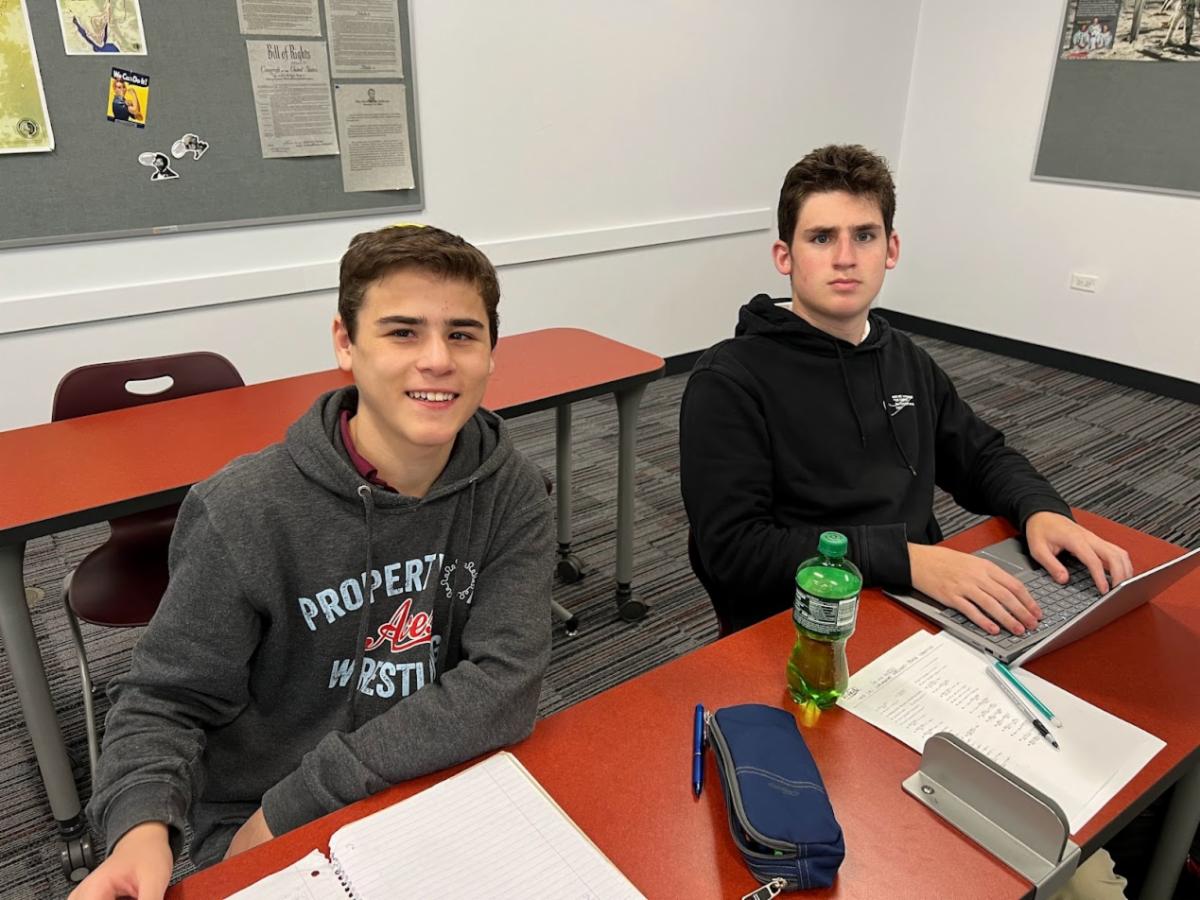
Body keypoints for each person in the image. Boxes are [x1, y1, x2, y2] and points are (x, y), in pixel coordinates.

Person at [70, 225, 556, 900]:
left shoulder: (513, 491)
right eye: (403, 331)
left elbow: (505, 682)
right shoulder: (243, 509)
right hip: (260, 815)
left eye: (463, 334)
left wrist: (310, 794)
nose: (437, 359)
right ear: (345, 343)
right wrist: (140, 830)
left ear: (491, 353)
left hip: (435, 775)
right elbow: (165, 699)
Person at [679, 144, 1132, 637]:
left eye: (864, 236)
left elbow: (979, 456)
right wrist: (907, 561)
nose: (845, 258)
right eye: (822, 237)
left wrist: (1041, 508)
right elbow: (735, 551)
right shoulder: (728, 381)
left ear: (891, 249)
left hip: (918, 596)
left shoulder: (904, 358)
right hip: (804, 619)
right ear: (784, 257)